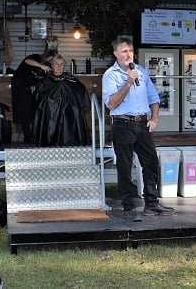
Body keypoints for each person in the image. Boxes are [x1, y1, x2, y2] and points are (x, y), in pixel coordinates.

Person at [102, 37, 174, 222]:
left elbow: (154, 97)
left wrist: (155, 118)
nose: (128, 54)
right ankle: (128, 206)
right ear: (116, 54)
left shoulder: (140, 71)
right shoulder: (110, 75)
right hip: (123, 124)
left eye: (130, 51)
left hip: (142, 124)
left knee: (150, 162)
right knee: (125, 166)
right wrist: (127, 82)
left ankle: (152, 203)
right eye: (124, 51)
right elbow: (111, 104)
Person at [31, 54, 91, 147]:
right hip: (50, 118)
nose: (59, 67)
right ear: (52, 66)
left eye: (61, 64)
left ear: (64, 66)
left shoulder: (72, 81)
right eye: (56, 64)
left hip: (69, 118)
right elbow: (38, 100)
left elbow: (82, 98)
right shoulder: (45, 82)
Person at [11, 41, 57, 143]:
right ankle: (27, 137)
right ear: (45, 56)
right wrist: (41, 66)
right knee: (23, 110)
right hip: (19, 84)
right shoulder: (36, 57)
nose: (49, 62)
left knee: (29, 110)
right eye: (49, 59)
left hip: (28, 87)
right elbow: (27, 61)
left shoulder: (46, 66)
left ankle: (30, 136)